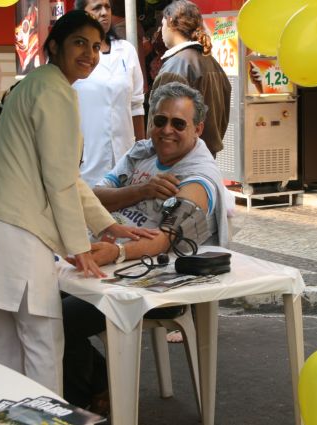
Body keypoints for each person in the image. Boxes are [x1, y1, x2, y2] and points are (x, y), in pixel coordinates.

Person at [0, 11, 155, 395]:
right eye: (79, 43)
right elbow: (60, 180)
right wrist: (79, 246)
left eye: (96, 46)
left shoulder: (36, 84)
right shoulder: (55, 91)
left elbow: (64, 177)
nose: (90, 54)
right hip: (14, 231)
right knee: (41, 339)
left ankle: (11, 414)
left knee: (4, 341)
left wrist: (107, 225)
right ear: (54, 45)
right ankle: (45, 417)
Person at [61, 81, 229, 413]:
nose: (166, 130)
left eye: (178, 123)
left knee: (58, 320)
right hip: (109, 265)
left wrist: (118, 252)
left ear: (198, 129)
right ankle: (100, 385)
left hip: (154, 283)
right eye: (160, 120)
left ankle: (88, 400)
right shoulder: (142, 151)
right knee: (36, 306)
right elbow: (93, 197)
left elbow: (166, 239)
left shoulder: (199, 177)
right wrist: (141, 191)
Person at [73, 0, 146, 186]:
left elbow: (136, 105)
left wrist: (142, 153)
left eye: (107, 7)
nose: (104, 12)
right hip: (86, 162)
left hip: (125, 159)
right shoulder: (71, 55)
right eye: (97, 8)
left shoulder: (126, 50)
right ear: (82, 13)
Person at [150, 0, 231, 157]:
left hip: (178, 160)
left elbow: (160, 124)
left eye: (162, 24)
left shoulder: (177, 65)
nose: (161, 30)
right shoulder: (211, 62)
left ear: (170, 22)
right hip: (204, 157)